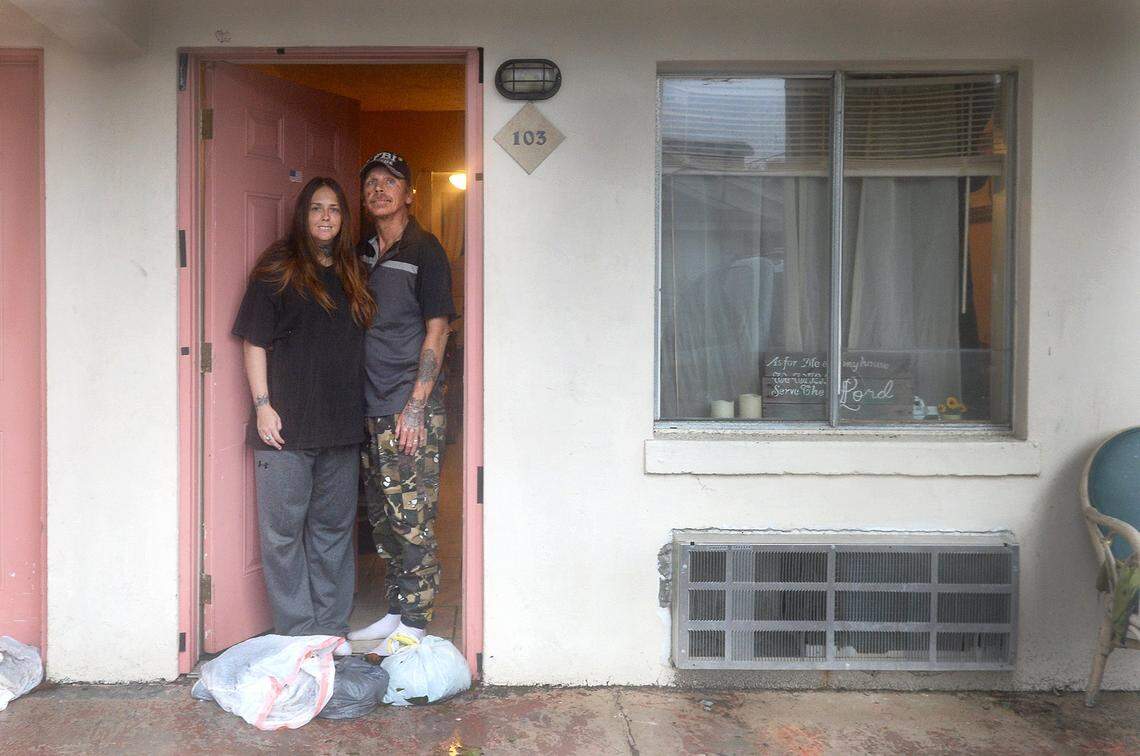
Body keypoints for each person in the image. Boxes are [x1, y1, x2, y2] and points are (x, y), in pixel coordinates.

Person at [232, 177, 376, 655]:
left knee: (334, 531)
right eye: (317, 209)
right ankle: (298, 633)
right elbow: (254, 341)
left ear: (343, 217)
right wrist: (262, 406)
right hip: (285, 427)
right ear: (303, 214)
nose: (326, 218)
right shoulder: (278, 268)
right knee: (282, 534)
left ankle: (330, 630)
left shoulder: (354, 269)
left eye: (334, 209)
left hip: (340, 425)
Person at [348, 152, 456, 656]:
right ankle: (395, 609)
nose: (379, 190)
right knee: (384, 519)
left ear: (409, 193)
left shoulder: (425, 249)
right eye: (371, 182)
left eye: (390, 182)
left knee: (412, 515)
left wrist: (417, 404)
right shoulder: (362, 251)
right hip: (369, 402)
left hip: (407, 405)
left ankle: (415, 620)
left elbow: (438, 328)